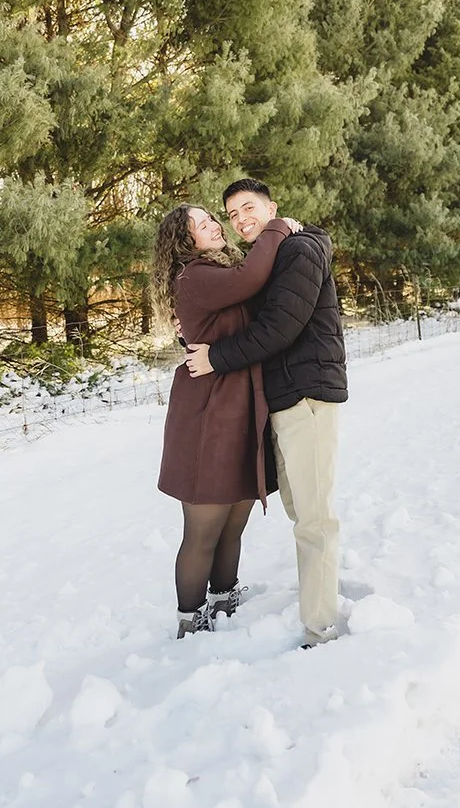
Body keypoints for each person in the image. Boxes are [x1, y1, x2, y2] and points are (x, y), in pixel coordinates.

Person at [186, 179, 348, 647]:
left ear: (273, 208)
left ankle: (322, 628)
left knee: (315, 518)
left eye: (248, 207)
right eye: (231, 214)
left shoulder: (298, 250)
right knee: (303, 512)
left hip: (309, 393)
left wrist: (215, 358)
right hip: (285, 397)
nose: (239, 219)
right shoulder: (268, 256)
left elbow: (279, 328)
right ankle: (320, 600)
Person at [152, 203, 298, 638]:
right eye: (200, 224)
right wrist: (275, 228)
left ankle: (224, 596)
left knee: (235, 515)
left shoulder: (218, 269)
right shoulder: (193, 274)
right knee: (204, 529)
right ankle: (190, 619)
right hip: (207, 411)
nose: (213, 225)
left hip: (240, 402)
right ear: (183, 240)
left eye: (211, 219)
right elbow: (249, 278)